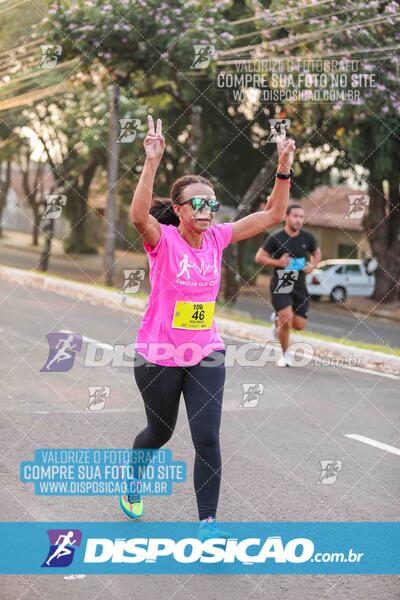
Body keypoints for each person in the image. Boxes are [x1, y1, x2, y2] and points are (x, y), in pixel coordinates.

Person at [119, 115, 295, 537]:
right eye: (197, 203)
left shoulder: (217, 238)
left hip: (205, 352)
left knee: (207, 438)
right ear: (178, 210)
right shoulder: (162, 239)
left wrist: (284, 166)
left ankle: (208, 523)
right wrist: (151, 162)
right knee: (159, 432)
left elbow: (273, 212)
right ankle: (133, 480)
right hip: (159, 353)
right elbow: (138, 215)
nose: (207, 210)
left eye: (212, 203)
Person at [255, 204, 321, 367]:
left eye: (301, 217)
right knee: (287, 320)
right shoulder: (276, 237)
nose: (298, 219)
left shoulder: (307, 238)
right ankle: (285, 355)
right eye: (295, 216)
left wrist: (312, 266)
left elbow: (316, 253)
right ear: (287, 217)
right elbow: (259, 257)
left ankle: (277, 320)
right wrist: (279, 262)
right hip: (282, 280)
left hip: (299, 283)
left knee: (298, 325)